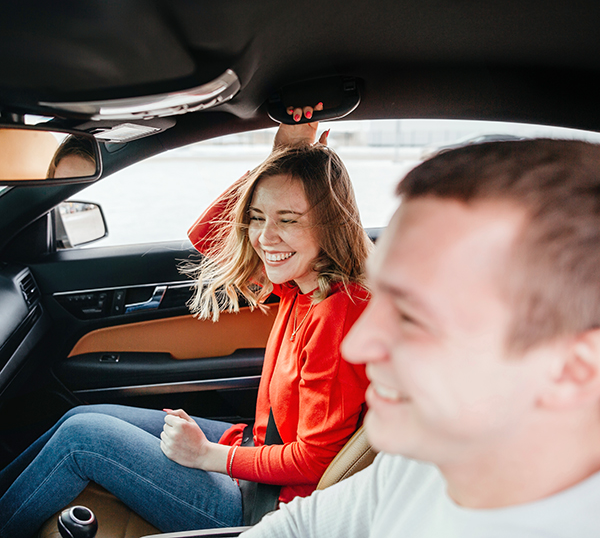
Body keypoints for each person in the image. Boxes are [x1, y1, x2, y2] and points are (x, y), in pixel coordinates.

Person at [0, 110, 372, 536]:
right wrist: (284, 153)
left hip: (267, 507)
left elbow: (318, 459)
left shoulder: (336, 313)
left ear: (330, 224)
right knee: (83, 415)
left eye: (288, 219)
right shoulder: (300, 285)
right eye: (257, 216)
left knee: (83, 437)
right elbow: (211, 238)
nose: (265, 237)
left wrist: (207, 456)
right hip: (256, 451)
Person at [241, 138, 600, 538]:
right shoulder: (420, 461)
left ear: (573, 369)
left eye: (412, 317)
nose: (358, 346)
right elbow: (296, 529)